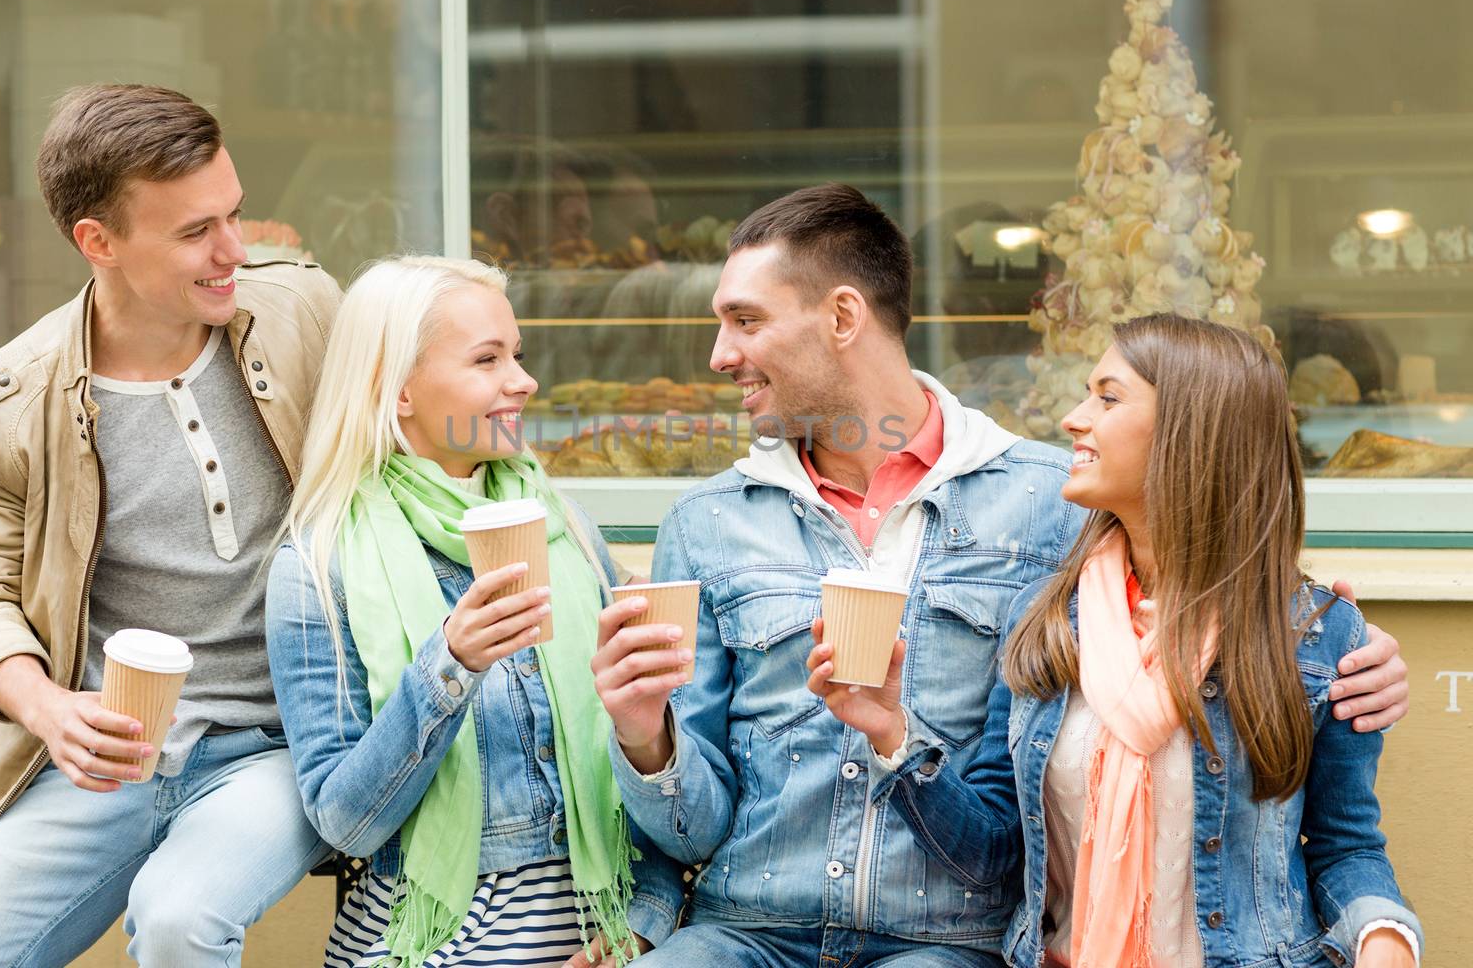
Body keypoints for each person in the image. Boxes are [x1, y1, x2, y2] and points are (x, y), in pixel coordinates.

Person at [588, 184, 1410, 965]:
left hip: (943, 938)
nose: (718, 354)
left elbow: (1212, 543)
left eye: (744, 319)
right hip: (749, 928)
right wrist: (643, 737)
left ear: (843, 315)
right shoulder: (707, 523)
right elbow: (688, 834)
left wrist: (1338, 645)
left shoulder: (1049, 503)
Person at [0, 84, 339, 966]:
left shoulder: (308, 315)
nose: (232, 251)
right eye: (193, 233)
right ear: (95, 242)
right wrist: (49, 709)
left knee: (181, 921)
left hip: (280, 744)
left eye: (234, 215)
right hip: (100, 759)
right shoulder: (2, 411)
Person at [852, 314, 1422, 966]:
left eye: (1107, 396)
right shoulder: (1043, 622)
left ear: (1191, 429)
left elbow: (1344, 847)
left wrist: (1383, 938)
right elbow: (993, 856)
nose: (1073, 417)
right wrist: (893, 736)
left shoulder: (1317, 637)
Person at [264, 256, 685, 968]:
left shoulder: (567, 527)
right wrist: (449, 667)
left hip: (604, 935)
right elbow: (345, 822)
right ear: (397, 390)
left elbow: (648, 776)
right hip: (426, 944)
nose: (523, 381)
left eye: (516, 355)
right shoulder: (318, 566)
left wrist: (644, 922)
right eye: (487, 359)